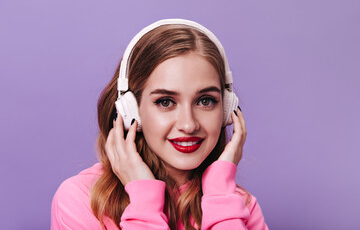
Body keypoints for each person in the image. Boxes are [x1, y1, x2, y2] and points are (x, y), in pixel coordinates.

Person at [51, 19, 269, 230]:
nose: (188, 124)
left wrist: (220, 195)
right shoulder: (81, 200)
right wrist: (144, 201)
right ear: (130, 110)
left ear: (225, 110)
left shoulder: (239, 206)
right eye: (165, 102)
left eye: (205, 101)